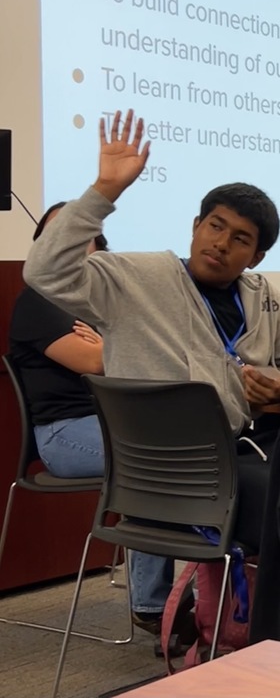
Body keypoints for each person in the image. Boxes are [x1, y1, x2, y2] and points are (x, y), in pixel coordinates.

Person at [23, 110, 280, 617]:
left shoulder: (264, 297)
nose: (220, 242)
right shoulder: (137, 278)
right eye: (214, 226)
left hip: (239, 450)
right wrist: (103, 191)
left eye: (239, 238)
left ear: (256, 256)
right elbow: (44, 270)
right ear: (196, 226)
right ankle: (269, 633)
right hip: (168, 465)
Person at [10, 202, 175, 637]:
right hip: (65, 433)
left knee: (193, 452)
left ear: (97, 248)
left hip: (115, 424)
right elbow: (97, 363)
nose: (62, 244)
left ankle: (198, 599)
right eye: (52, 237)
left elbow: (150, 354)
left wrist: (111, 343)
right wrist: (112, 345)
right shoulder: (39, 302)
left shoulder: (107, 298)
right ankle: (152, 605)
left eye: (76, 234)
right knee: (154, 466)